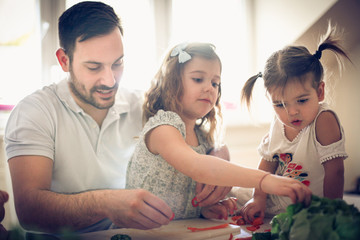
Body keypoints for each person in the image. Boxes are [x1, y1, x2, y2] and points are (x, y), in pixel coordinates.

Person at [4, 1, 230, 237]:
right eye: (94, 67)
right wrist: (106, 204)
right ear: (64, 60)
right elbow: (29, 211)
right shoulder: (34, 112)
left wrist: (219, 152)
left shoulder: (143, 105)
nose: (110, 80)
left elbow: (197, 126)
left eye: (117, 64)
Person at [125, 42, 312, 223]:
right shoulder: (162, 128)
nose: (209, 88)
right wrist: (265, 180)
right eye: (198, 79)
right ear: (172, 83)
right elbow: (197, 166)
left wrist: (204, 209)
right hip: (138, 231)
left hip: (176, 230)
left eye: (215, 83)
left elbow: (190, 193)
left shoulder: (203, 138)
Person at [239, 24, 351, 224]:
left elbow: (336, 171)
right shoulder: (278, 122)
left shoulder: (323, 120)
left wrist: (330, 213)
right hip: (276, 201)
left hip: (308, 208)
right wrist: (259, 198)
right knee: (233, 190)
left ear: (319, 92)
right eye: (279, 104)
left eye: (301, 100)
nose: (291, 112)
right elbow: (267, 164)